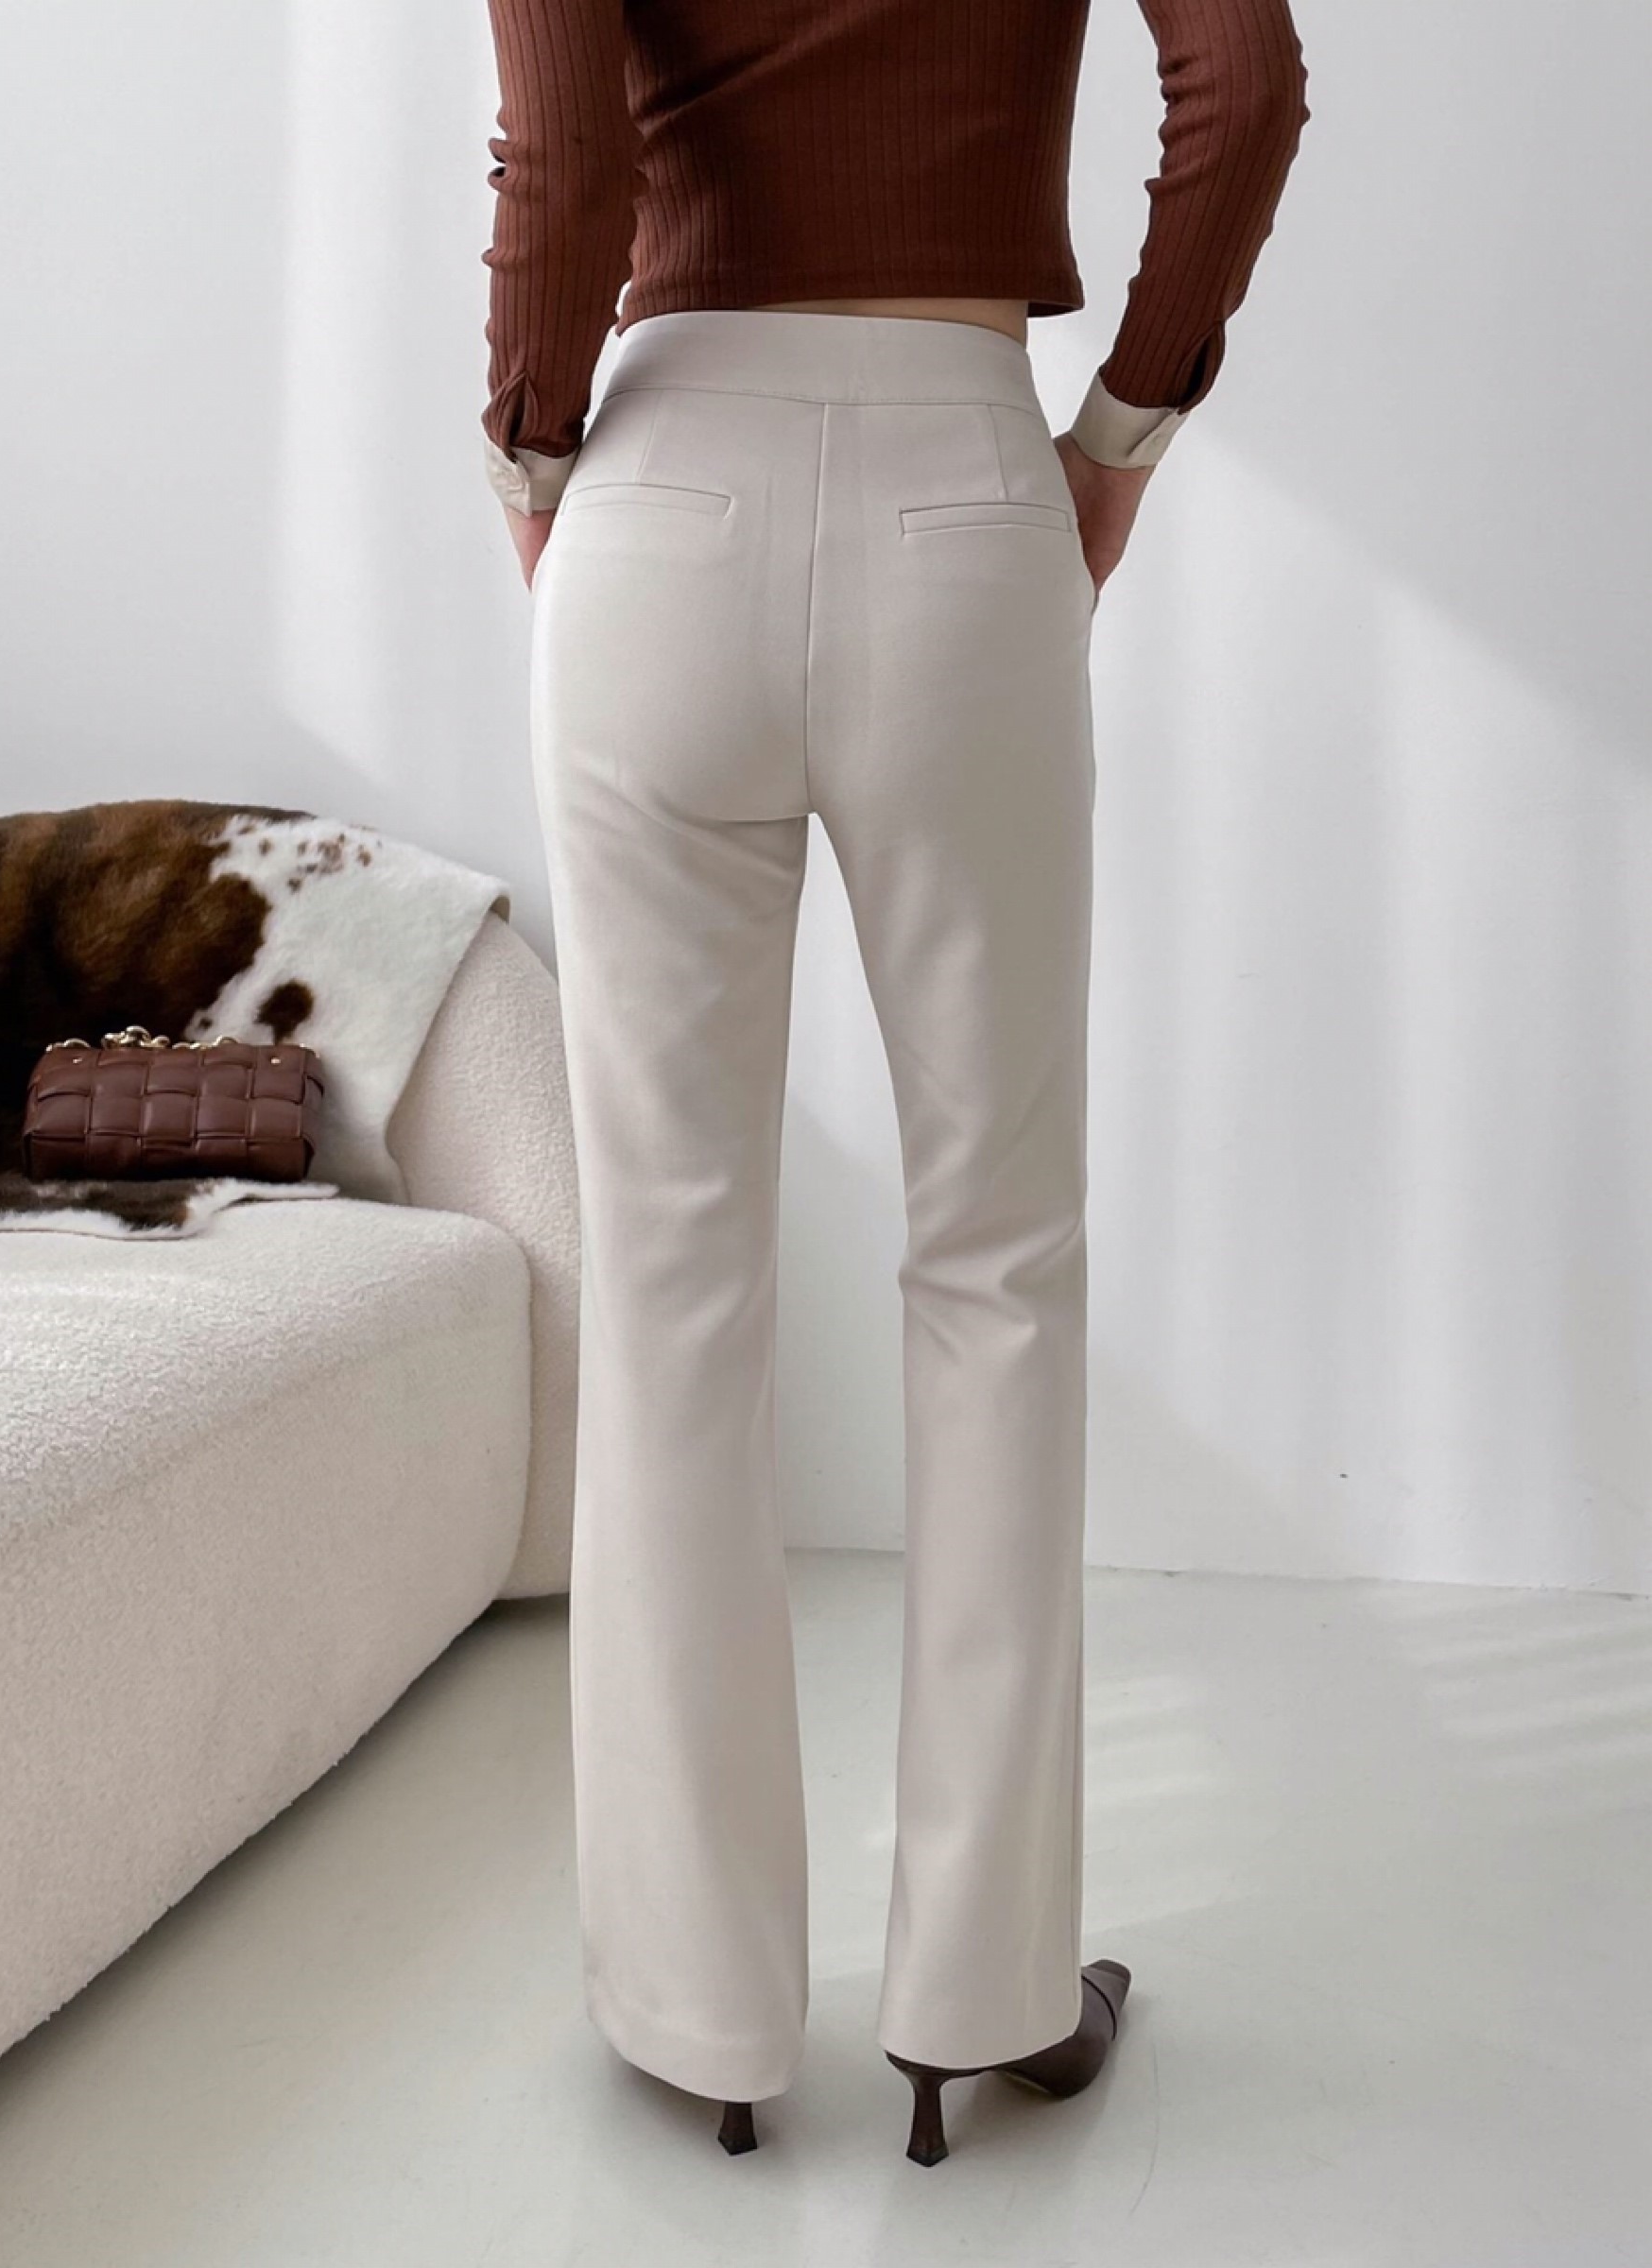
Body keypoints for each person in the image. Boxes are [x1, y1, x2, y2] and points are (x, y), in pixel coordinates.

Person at [479, 0, 1307, 2166]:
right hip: (964, 481)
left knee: (670, 1278)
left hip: (663, 500)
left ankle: (699, 2013)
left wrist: (534, 457)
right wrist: (1119, 434)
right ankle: (985, 1995)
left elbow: (564, 159)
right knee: (1000, 1267)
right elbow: (1244, 82)